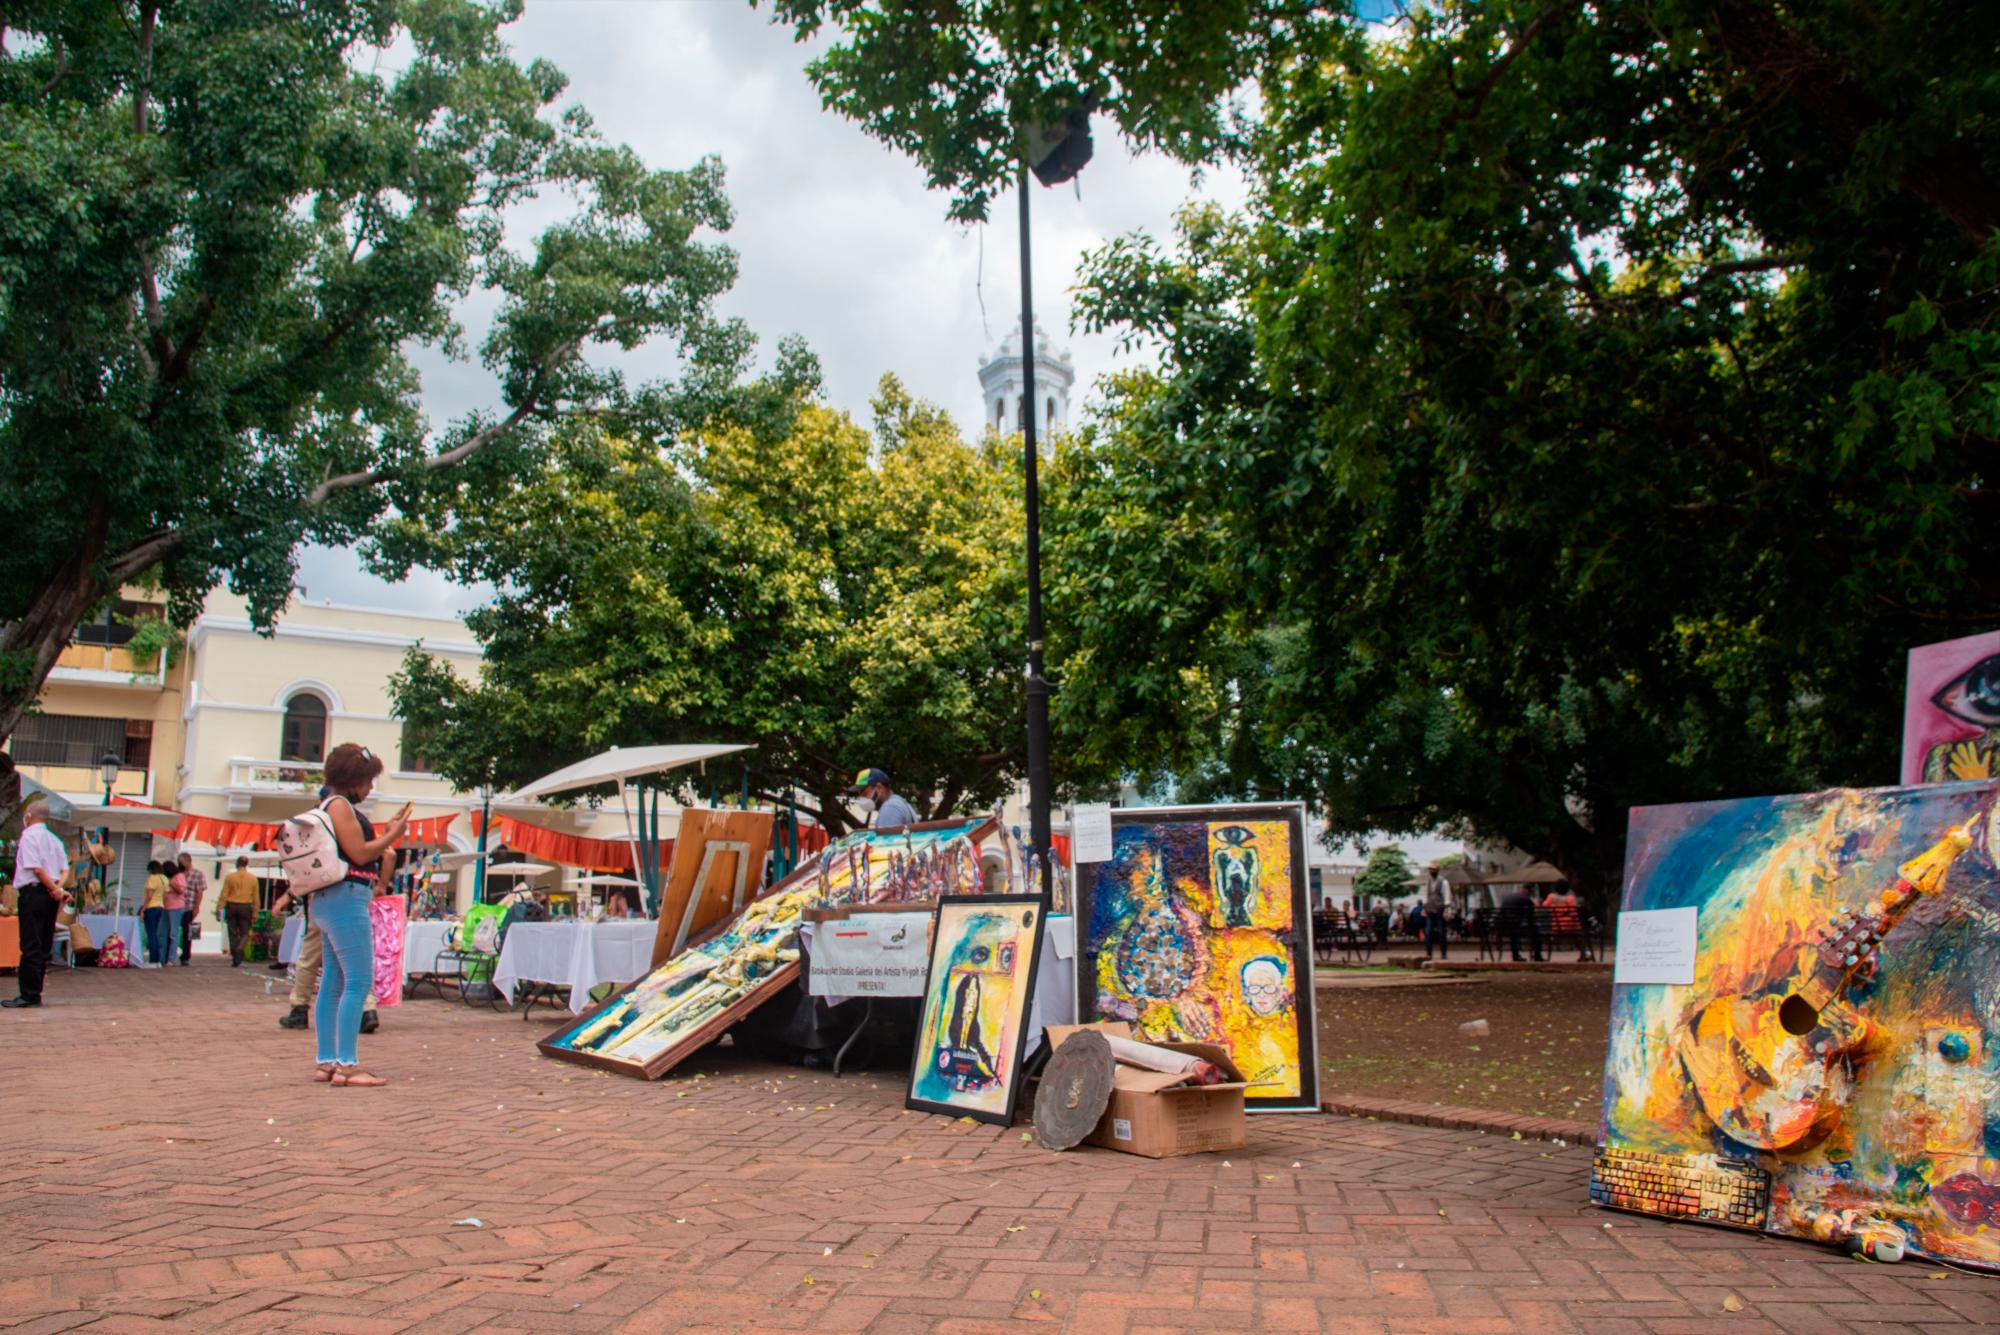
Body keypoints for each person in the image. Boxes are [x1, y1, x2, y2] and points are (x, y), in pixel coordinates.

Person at [302, 742, 407, 1087]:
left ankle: (327, 1061)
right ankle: (347, 1064)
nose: (371, 788)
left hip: (329, 899)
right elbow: (360, 853)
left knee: (333, 981)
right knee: (359, 980)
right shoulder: (340, 805)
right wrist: (393, 836)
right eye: (369, 780)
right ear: (355, 778)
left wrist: (385, 832)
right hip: (346, 898)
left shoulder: (328, 805)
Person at [5, 798, 72, 1008]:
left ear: (29, 815)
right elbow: (65, 869)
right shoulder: (54, 839)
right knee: (43, 944)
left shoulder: (28, 836)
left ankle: (29, 994)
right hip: (50, 896)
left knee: (31, 944)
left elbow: (36, 869)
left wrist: (54, 889)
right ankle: (36, 991)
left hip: (34, 893)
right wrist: (58, 889)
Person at [217, 856, 260, 966]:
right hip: (245, 907)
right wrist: (255, 912)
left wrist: (219, 909)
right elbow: (256, 898)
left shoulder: (230, 877)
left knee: (232, 932)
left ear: (237, 864)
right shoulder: (253, 879)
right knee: (245, 932)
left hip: (231, 906)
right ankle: (240, 948)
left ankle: (235, 953)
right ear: (246, 864)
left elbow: (224, 894)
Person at [847, 767, 920, 830]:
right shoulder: (898, 801)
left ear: (879, 788)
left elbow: (887, 841)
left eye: (865, 794)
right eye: (859, 795)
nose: (862, 799)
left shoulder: (890, 808)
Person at [176, 851, 207, 965]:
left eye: (182, 862)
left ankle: (185, 956)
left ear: (188, 862)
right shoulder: (178, 873)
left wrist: (196, 907)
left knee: (187, 933)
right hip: (176, 906)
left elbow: (200, 891)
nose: (180, 864)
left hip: (189, 906)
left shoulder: (198, 874)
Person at [1501, 885, 1544, 962]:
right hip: (1516, 927)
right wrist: (1537, 904)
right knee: (1535, 930)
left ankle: (1515, 955)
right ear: (1527, 891)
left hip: (1503, 926)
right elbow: (1532, 914)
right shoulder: (1525, 898)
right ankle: (1537, 955)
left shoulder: (1509, 896)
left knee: (1514, 931)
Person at [142, 860, 172, 965]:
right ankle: (159, 958)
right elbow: (165, 895)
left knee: (151, 934)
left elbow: (149, 896)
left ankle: (153, 959)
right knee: (157, 933)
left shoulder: (152, 878)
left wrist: (143, 909)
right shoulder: (164, 879)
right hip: (160, 907)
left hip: (151, 907)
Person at [161, 858, 188, 967]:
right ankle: (162, 958)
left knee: (173, 933)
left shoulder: (178, 876)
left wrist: (172, 884)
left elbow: (181, 890)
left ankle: (171, 959)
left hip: (176, 907)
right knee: (162, 932)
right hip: (166, 907)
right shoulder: (170, 878)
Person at [1422, 864, 1450, 961]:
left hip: (1440, 908)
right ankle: (1428, 953)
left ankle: (1443, 953)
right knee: (1428, 932)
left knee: (1441, 932)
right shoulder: (1428, 882)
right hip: (1430, 908)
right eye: (1430, 870)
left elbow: (1447, 896)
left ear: (1437, 870)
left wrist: (1446, 910)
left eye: (1433, 870)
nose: (1431, 871)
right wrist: (1424, 908)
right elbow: (1425, 895)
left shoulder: (1444, 882)